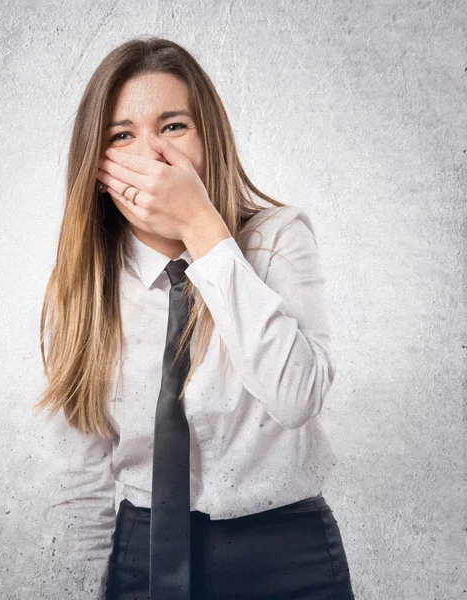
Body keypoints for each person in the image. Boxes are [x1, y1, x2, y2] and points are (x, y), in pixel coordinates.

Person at [33, 36, 355, 600]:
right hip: (142, 554)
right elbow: (79, 478)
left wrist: (202, 231)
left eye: (174, 126)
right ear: (97, 163)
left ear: (209, 137)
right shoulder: (85, 285)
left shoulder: (279, 239)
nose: (151, 153)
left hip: (289, 555)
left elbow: (298, 397)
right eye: (122, 136)